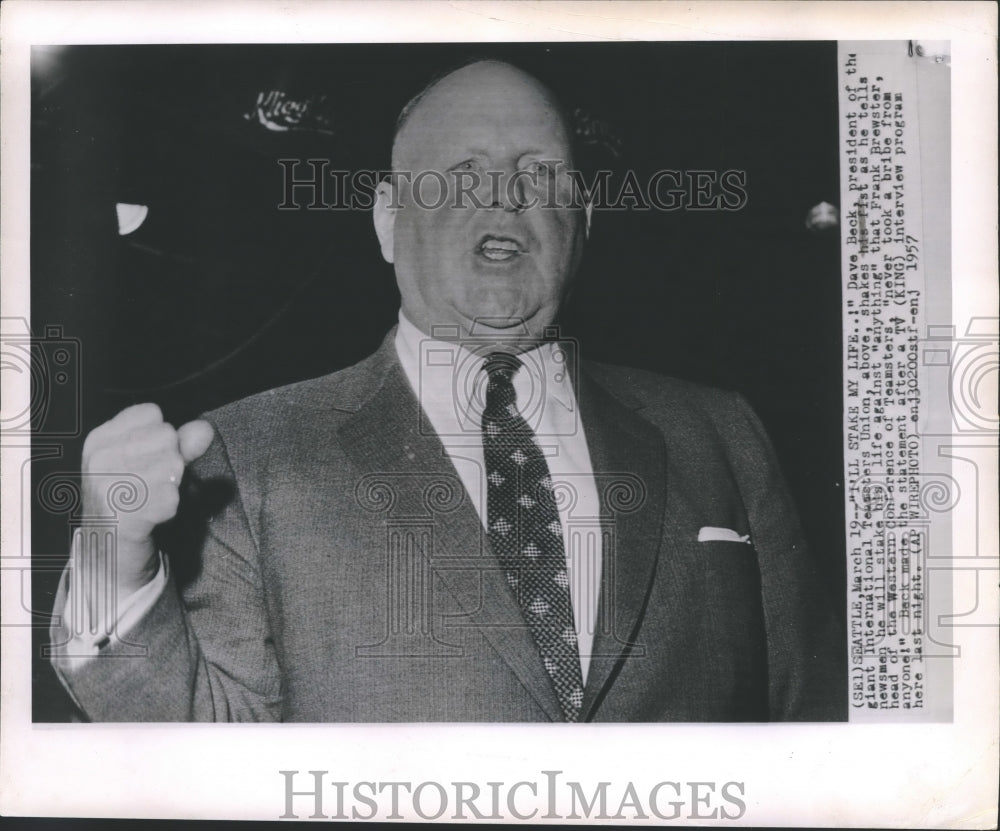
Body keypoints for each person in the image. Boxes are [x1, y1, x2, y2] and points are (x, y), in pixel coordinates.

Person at [49, 59, 845, 722]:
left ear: (584, 220)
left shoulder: (721, 434)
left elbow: (812, 729)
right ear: (389, 222)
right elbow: (201, 746)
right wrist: (110, 553)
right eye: (460, 177)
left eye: (540, 173)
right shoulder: (244, 457)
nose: (504, 197)